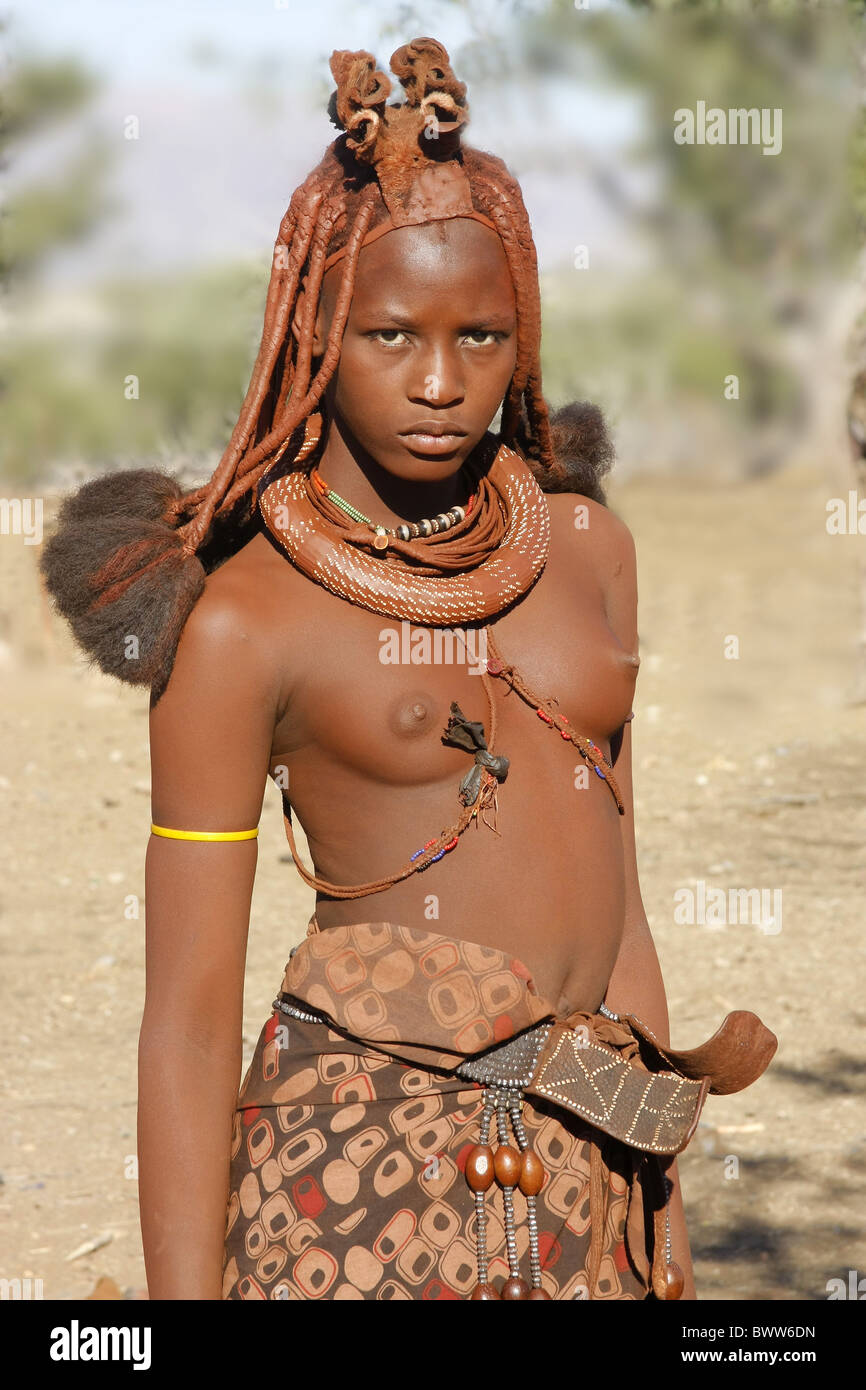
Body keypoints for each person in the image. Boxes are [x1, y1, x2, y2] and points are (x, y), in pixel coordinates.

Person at [40, 37, 776, 1301]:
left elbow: (623, 889)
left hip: (586, 1159)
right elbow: (187, 1019)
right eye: (389, 333)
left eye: (480, 335)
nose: (441, 383)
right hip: (350, 1189)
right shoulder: (240, 624)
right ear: (319, 330)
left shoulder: (587, 551)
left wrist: (656, 1200)